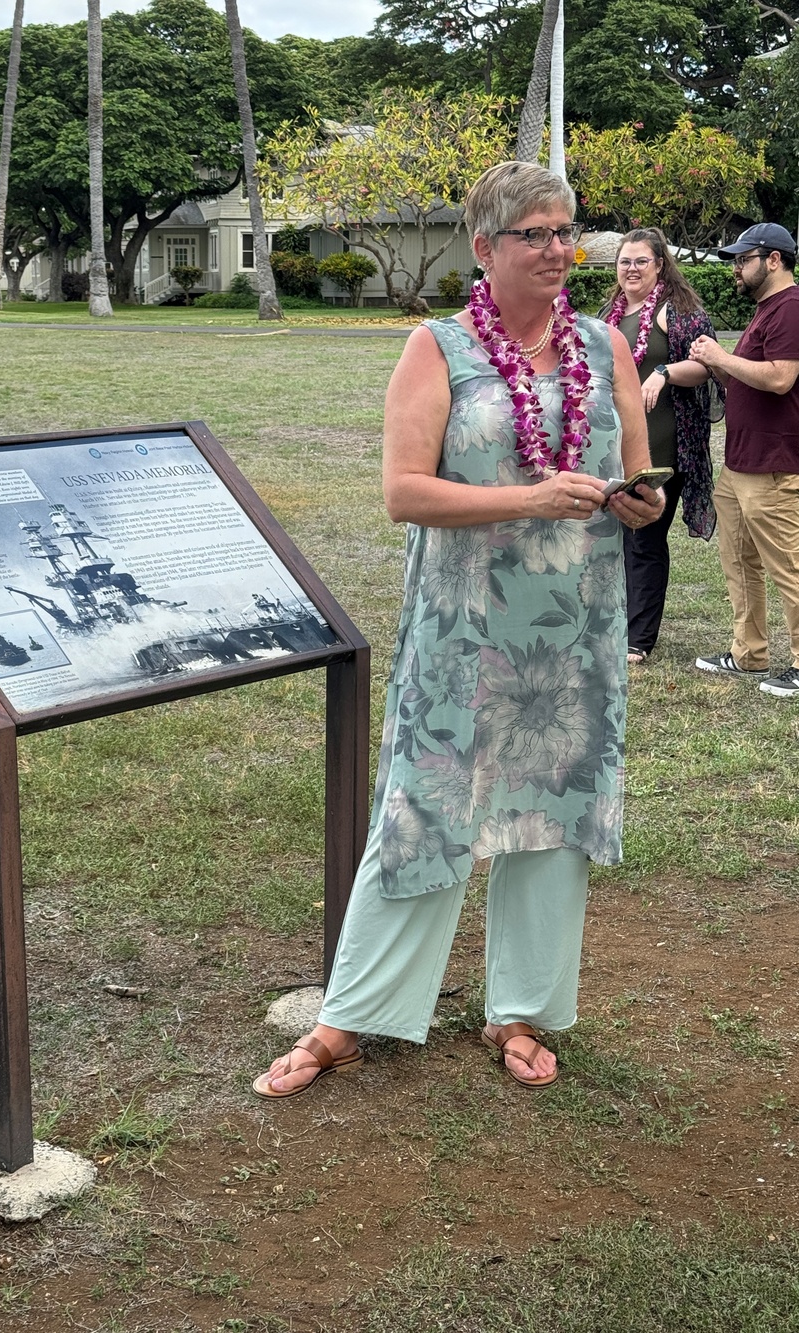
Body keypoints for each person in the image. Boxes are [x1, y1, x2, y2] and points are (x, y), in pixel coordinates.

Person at [253, 161, 662, 1099]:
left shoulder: (607, 349)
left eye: (567, 231)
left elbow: (641, 473)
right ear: (485, 248)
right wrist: (528, 496)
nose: (560, 249)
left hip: (573, 635)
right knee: (425, 809)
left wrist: (639, 506)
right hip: (465, 630)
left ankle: (520, 1008)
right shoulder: (437, 348)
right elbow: (403, 492)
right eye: (535, 233)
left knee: (553, 820)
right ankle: (349, 1017)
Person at [598, 228, 721, 665]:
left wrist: (663, 371)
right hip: (614, 447)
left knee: (645, 539)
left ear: (660, 265)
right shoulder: (608, 314)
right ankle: (612, 621)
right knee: (611, 542)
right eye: (624, 262)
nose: (631, 269)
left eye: (640, 262)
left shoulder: (678, 311)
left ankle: (637, 638)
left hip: (664, 450)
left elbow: (707, 365)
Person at [689, 223, 799, 700]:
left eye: (743, 259)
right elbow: (748, 383)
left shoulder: (791, 307)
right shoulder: (765, 309)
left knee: (788, 568)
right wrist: (719, 365)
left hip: (774, 463)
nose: (735, 268)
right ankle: (749, 651)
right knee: (739, 561)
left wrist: (721, 355)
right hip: (740, 462)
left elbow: (779, 378)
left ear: (773, 260)